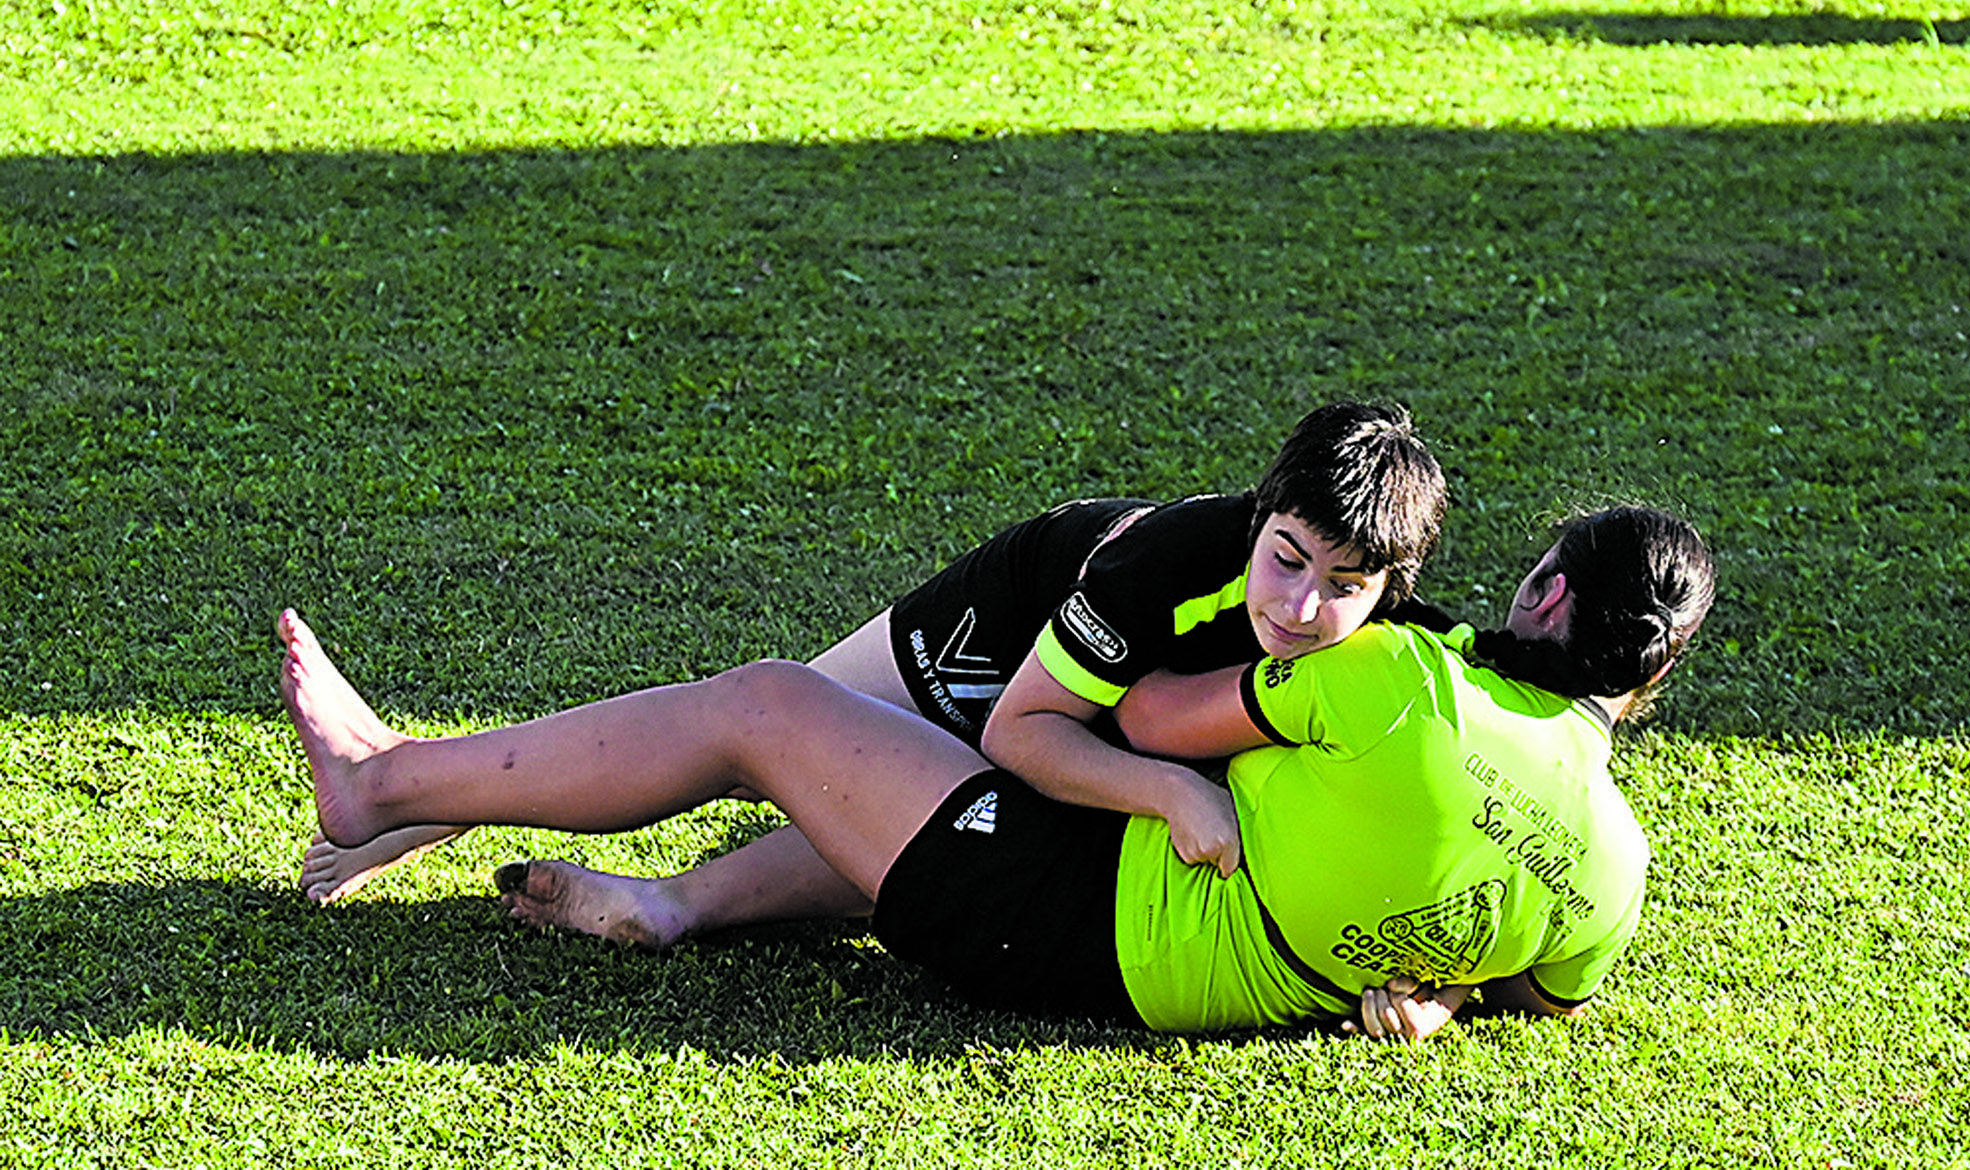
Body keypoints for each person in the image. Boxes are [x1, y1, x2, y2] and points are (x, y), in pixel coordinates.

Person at [280, 504, 1714, 1037]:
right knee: (916, 777)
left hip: (1063, 914)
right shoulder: (1616, 866)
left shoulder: (1404, 681)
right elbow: (1536, 983)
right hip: (1117, 936)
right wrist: (1437, 989)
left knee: (772, 708)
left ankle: (385, 785)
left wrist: (1173, 757)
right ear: (1652, 675)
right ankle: (679, 907)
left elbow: (1149, 724)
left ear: (1538, 598)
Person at [302, 400, 1449, 912]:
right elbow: (1020, 729)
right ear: (1259, 517)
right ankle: (411, 794)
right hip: (1003, 635)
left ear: (1389, 587)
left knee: (916, 835)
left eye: (1342, 586)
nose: (1299, 605)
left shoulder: (1401, 640)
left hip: (1105, 701)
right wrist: (1157, 785)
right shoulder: (1166, 559)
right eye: (1285, 557)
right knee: (748, 727)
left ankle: (668, 907)